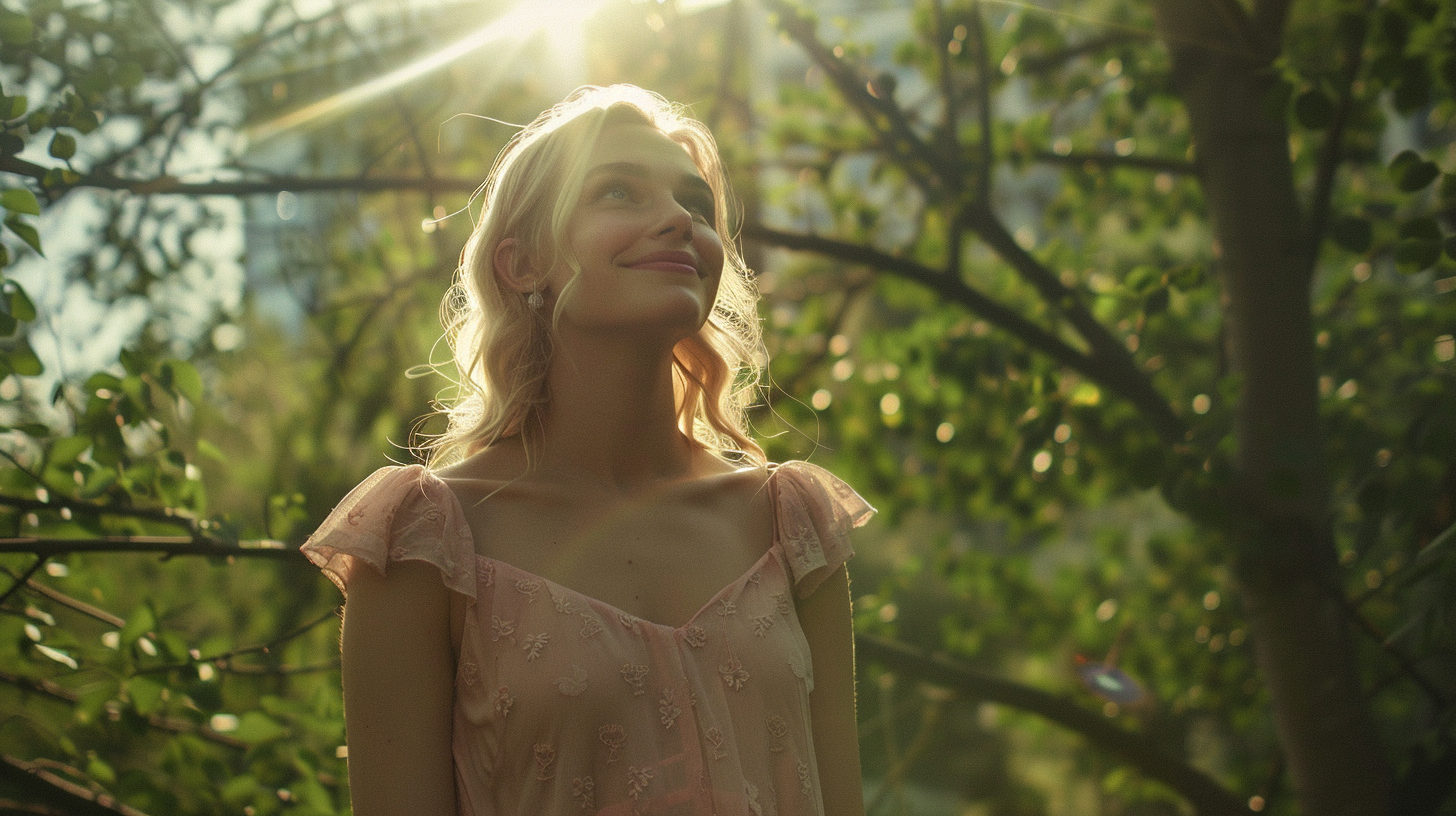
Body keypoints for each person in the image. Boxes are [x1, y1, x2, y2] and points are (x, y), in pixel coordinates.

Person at [302, 84, 874, 816]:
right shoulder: (423, 540)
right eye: (617, 193)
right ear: (522, 265)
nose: (677, 220)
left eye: (696, 205)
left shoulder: (792, 524)